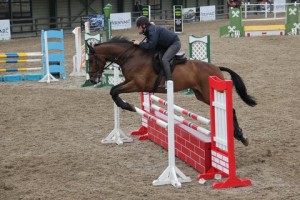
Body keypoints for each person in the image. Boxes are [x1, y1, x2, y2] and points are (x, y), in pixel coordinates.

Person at [133, 16, 181, 82]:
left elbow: (151, 45)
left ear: (144, 25)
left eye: (139, 26)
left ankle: (169, 80)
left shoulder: (152, 30)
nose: (138, 28)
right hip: (165, 45)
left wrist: (139, 43)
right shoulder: (149, 29)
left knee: (165, 59)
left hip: (174, 44)